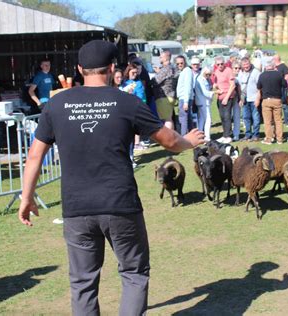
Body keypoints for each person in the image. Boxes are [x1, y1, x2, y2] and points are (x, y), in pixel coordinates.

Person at [18, 40, 205, 316]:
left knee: (83, 282)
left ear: (80, 69)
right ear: (112, 68)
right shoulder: (127, 102)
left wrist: (26, 197)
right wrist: (188, 142)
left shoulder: (56, 105)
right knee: (134, 273)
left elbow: (34, 156)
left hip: (77, 208)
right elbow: (168, 141)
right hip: (121, 205)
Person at [256, 59, 287, 145]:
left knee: (267, 121)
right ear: (274, 66)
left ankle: (269, 139)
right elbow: (285, 85)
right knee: (278, 120)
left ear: (266, 67)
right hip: (277, 99)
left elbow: (258, 86)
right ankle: (279, 139)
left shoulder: (262, 75)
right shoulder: (278, 74)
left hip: (266, 100)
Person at [213, 56, 236, 143]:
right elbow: (216, 83)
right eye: (218, 64)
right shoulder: (216, 72)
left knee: (227, 116)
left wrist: (226, 97)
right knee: (222, 116)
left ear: (224, 63)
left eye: (222, 64)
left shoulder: (228, 70)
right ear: (216, 65)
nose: (220, 66)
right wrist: (215, 86)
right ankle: (224, 135)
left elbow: (232, 85)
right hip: (220, 97)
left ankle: (228, 136)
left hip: (228, 97)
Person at [237, 57, 261, 141]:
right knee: (246, 117)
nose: (246, 66)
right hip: (245, 99)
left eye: (247, 64)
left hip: (254, 98)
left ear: (250, 63)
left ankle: (256, 135)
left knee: (255, 117)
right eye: (244, 65)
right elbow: (240, 87)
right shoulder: (240, 73)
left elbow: (260, 87)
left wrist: (258, 99)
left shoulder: (256, 72)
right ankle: (247, 134)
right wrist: (240, 98)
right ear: (242, 65)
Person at [152, 50, 176, 130]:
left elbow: (156, 80)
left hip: (164, 96)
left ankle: (169, 137)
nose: (159, 58)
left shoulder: (166, 68)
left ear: (166, 58)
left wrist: (151, 79)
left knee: (167, 119)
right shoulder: (170, 68)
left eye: (161, 56)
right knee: (168, 118)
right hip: (168, 96)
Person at [194, 67, 216, 141]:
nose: (208, 76)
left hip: (202, 102)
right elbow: (205, 92)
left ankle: (200, 136)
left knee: (201, 120)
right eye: (207, 74)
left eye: (210, 74)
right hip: (203, 102)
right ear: (203, 73)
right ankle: (207, 137)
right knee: (208, 119)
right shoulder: (200, 80)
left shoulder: (203, 79)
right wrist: (215, 92)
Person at [175, 55, 194, 136]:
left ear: (185, 62)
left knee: (183, 118)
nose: (179, 65)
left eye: (181, 63)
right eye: (177, 63)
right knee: (188, 118)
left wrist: (185, 101)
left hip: (185, 98)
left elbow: (187, 86)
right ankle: (191, 136)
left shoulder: (187, 71)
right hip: (183, 98)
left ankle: (184, 137)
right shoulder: (184, 71)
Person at [273, 55, 288, 127]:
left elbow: (287, 75)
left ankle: (287, 121)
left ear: (277, 59)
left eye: (274, 58)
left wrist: (282, 82)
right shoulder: (273, 66)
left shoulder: (283, 66)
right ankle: (277, 120)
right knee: (275, 104)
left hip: (282, 88)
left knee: (284, 104)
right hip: (274, 88)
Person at [231, 61, 242, 141]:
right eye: (236, 68)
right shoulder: (230, 76)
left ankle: (236, 134)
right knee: (228, 117)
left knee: (237, 117)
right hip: (229, 99)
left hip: (237, 99)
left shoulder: (241, 77)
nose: (237, 70)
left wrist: (241, 99)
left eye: (239, 68)